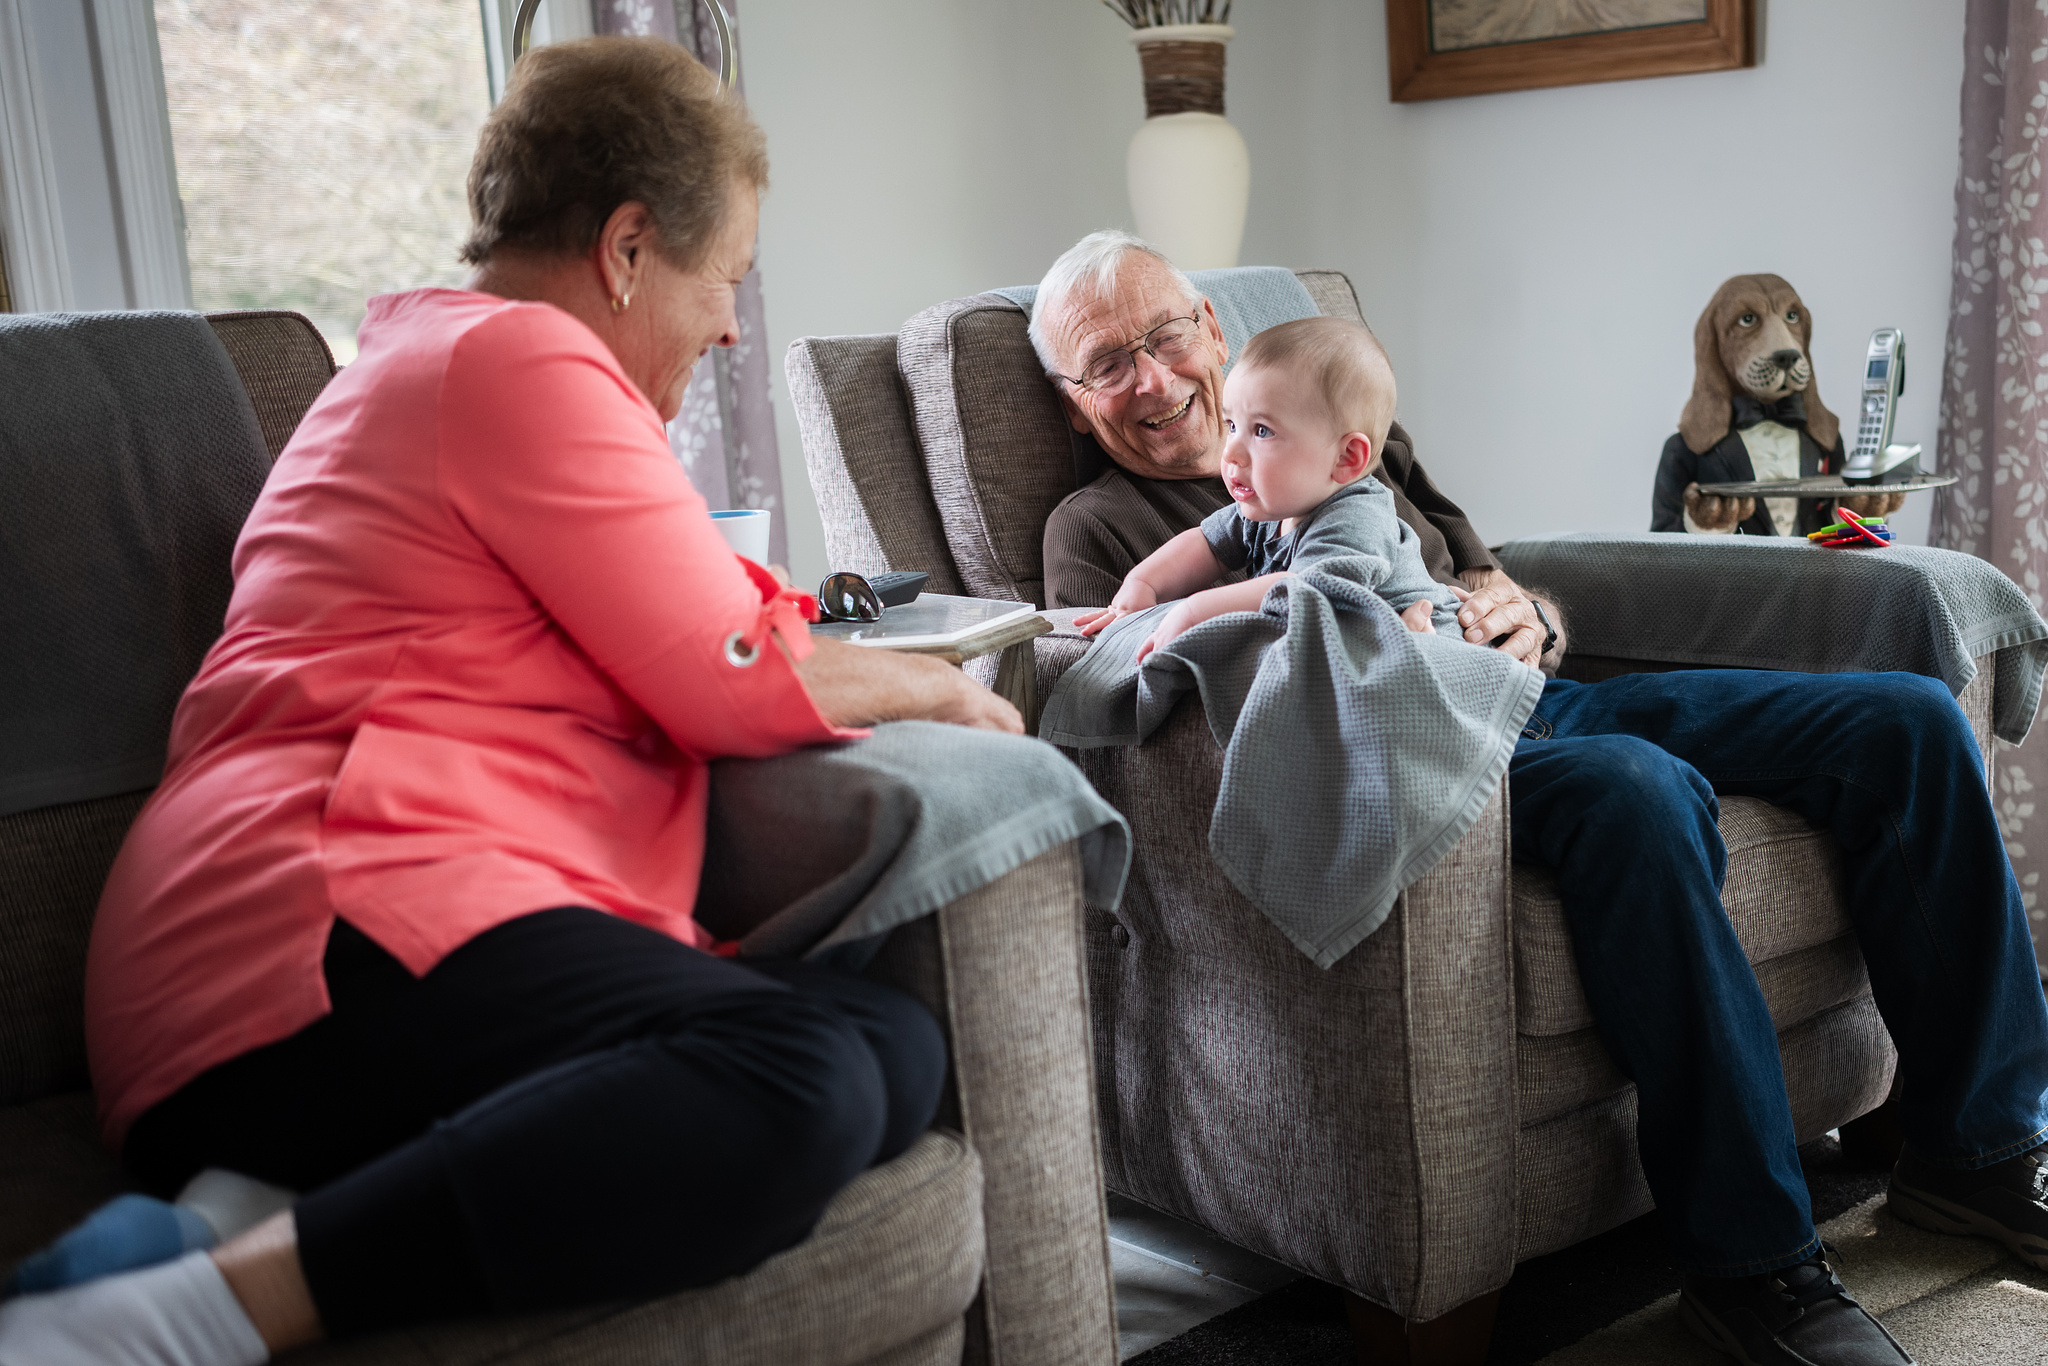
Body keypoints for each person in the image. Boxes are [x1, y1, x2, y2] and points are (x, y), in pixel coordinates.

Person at [0, 38, 1017, 1366]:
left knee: (889, 1042)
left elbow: (706, 616)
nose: (725, 326)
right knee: (805, 1071)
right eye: (725, 282)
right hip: (309, 929)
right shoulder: (519, 362)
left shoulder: (447, 365)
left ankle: (242, 1214)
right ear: (629, 247)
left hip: (335, 955)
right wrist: (941, 686)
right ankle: (186, 1319)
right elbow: (725, 671)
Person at [1028, 230, 2048, 1366]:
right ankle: (1755, 1267)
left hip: (1533, 699)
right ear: (1075, 406)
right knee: (1639, 790)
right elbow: (1123, 701)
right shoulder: (1099, 528)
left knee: (1904, 717)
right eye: (1106, 363)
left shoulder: (1355, 438)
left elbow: (1487, 573)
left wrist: (1530, 616)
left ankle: (1982, 1156)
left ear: (1208, 329)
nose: (1154, 379)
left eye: (1165, 335)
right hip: (1425, 751)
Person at [1076, 315, 1460, 663]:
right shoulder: (1272, 507)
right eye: (1231, 426)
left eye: (1262, 431)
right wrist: (1142, 587)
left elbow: (1304, 592)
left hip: (1463, 678)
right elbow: (1205, 545)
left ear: (1346, 458)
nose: (1231, 453)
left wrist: (1192, 611)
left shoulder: (1358, 517)